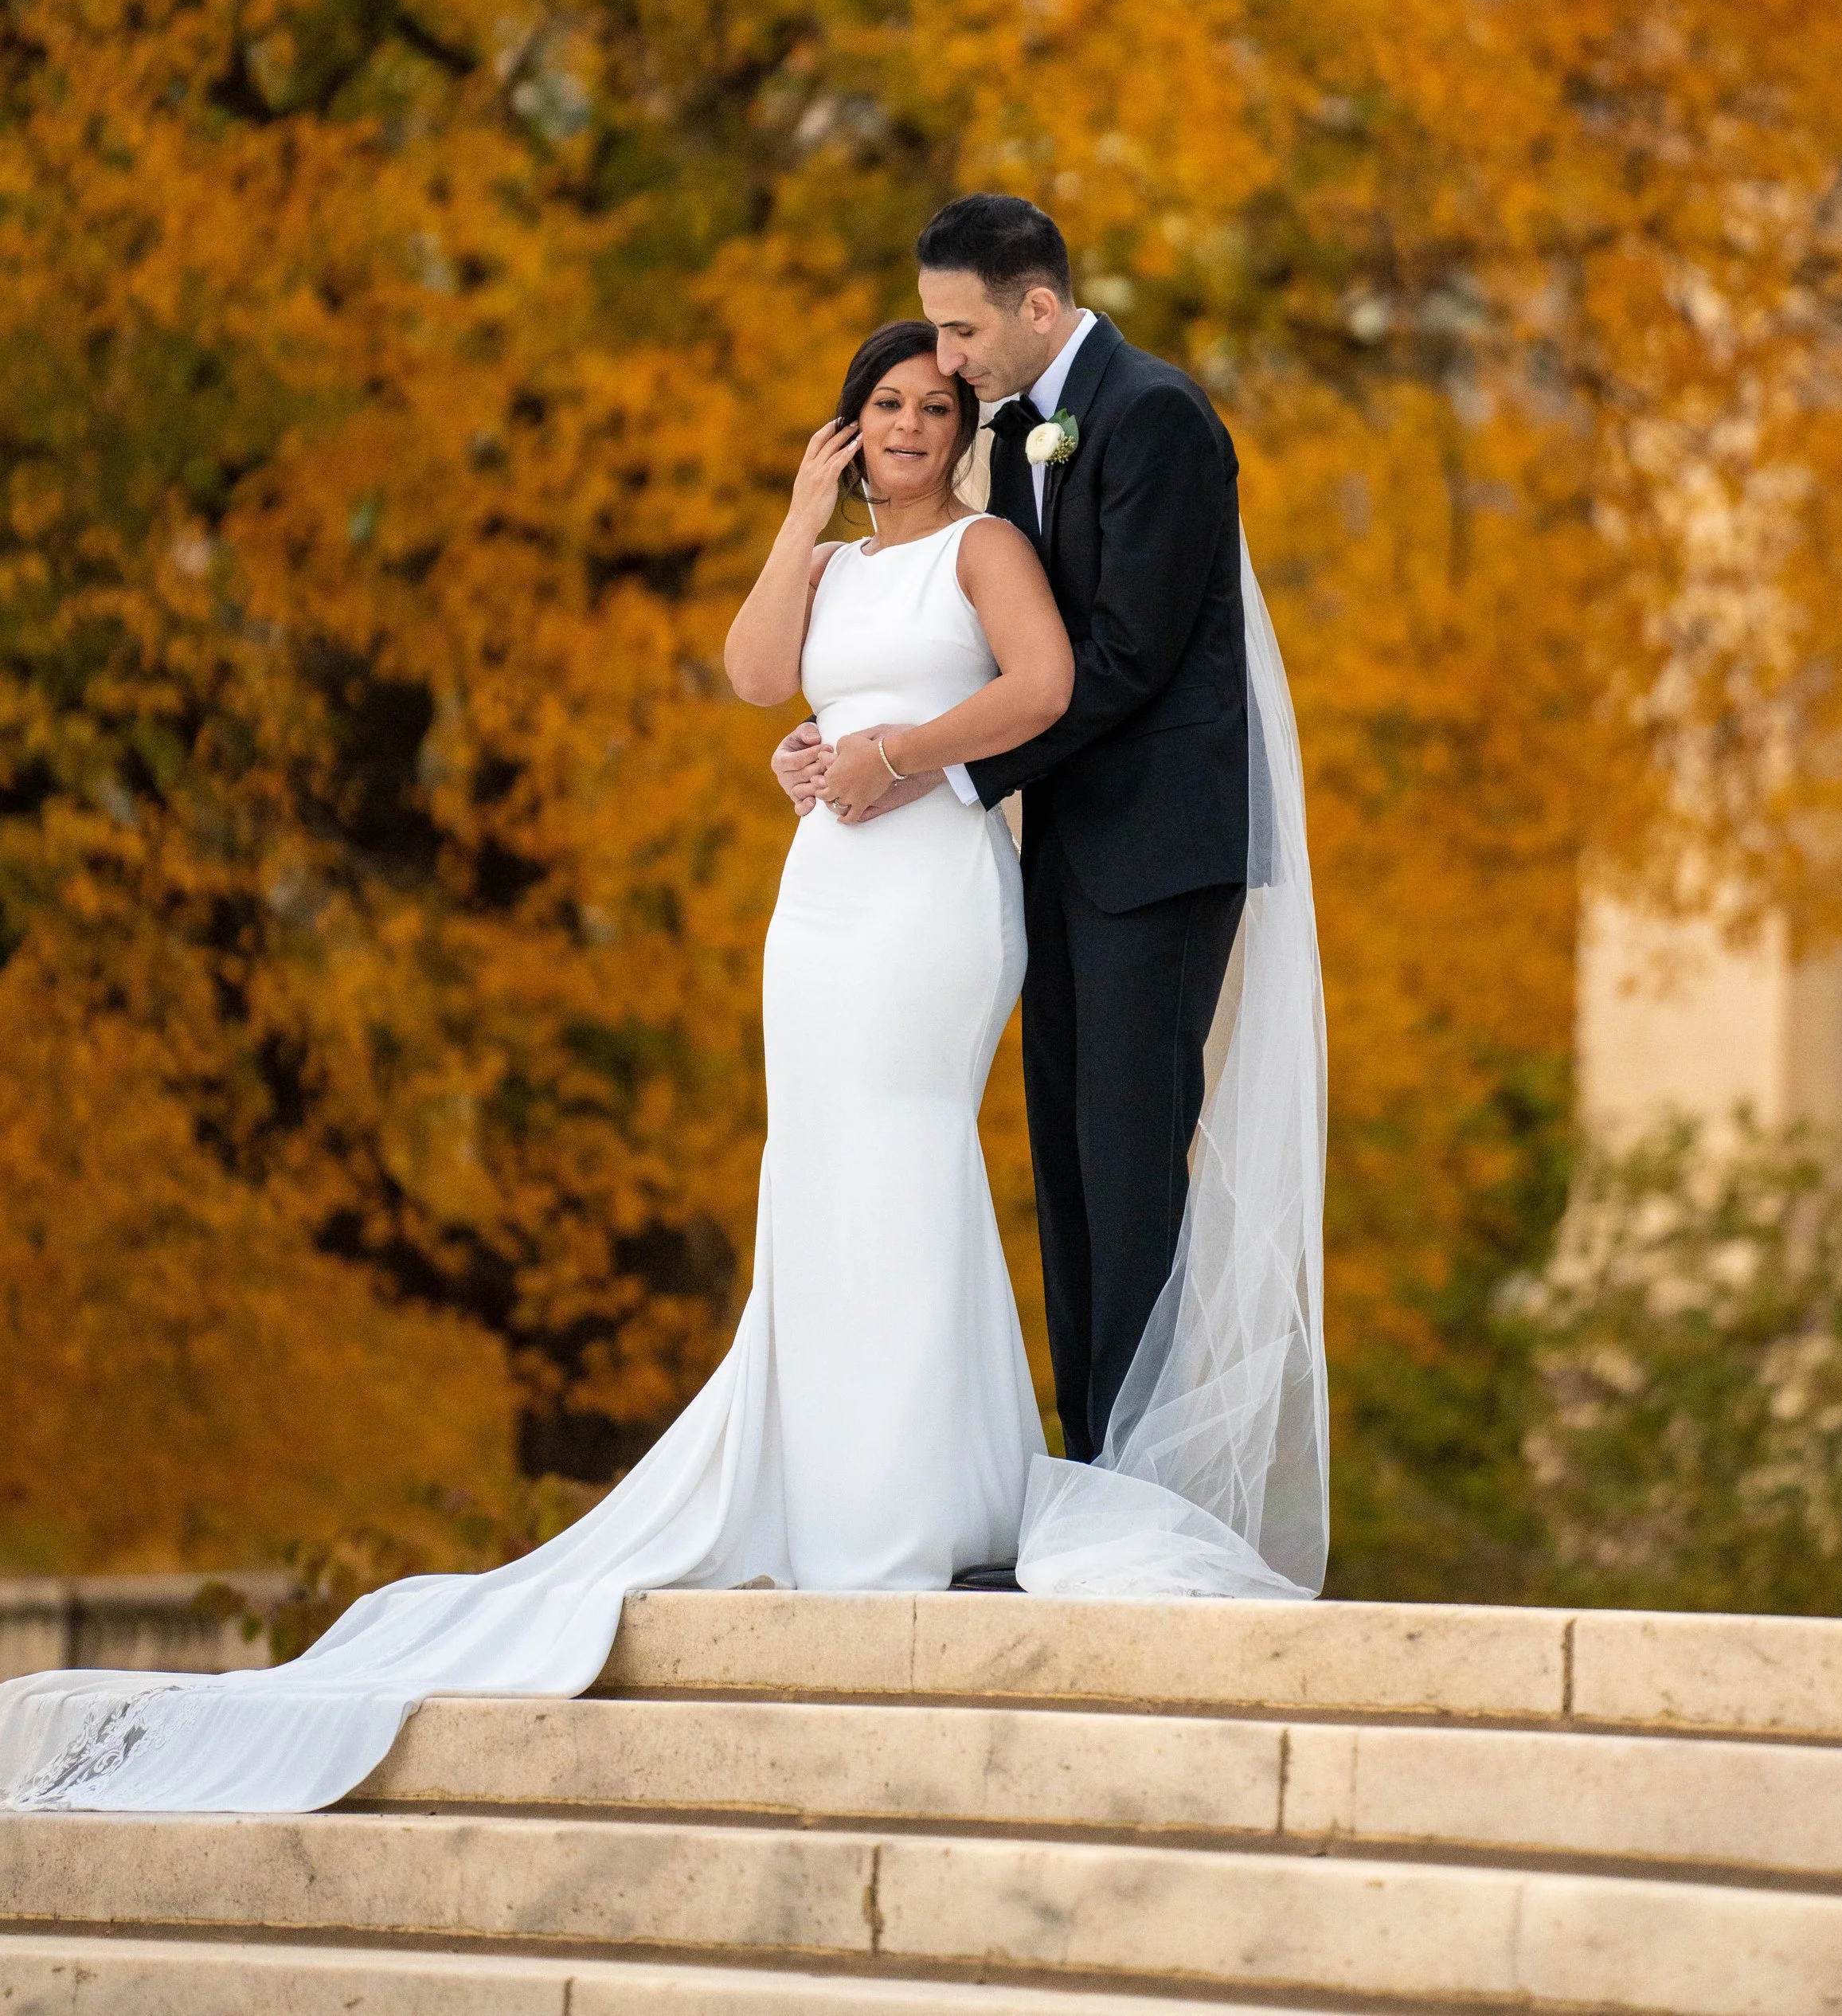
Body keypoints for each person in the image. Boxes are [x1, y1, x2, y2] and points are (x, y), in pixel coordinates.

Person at [0, 319, 1074, 1814]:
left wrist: (895, 756)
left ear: (966, 426)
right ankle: (832, 1484)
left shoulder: (981, 551)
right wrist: (793, 534)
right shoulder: (829, 562)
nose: (906, 424)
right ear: (848, 425)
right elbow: (760, 673)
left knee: (904, 1146)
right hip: (822, 891)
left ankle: (912, 1508)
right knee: (816, 1163)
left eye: (932, 405)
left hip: (929, 880)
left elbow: (1042, 689)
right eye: (882, 404)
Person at [776, 198, 1248, 1470]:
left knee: (1132, 1159)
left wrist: (923, 763)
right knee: (1072, 1166)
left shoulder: (1154, 416)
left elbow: (1125, 658)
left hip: (1157, 853)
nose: (951, 359)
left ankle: (1149, 1474)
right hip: (1064, 849)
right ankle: (1089, 1458)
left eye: (961, 329)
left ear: (1037, 308)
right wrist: (849, 743)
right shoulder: (1038, 436)